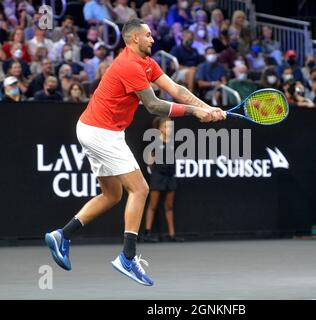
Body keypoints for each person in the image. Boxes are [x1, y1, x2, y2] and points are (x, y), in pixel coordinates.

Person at [44, 18, 226, 287]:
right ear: (133, 39)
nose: (153, 39)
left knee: (112, 195)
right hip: (101, 131)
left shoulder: (147, 62)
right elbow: (153, 105)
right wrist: (193, 112)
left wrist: (206, 108)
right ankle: (127, 257)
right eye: (148, 36)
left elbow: (177, 90)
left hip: (92, 128)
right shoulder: (129, 64)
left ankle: (62, 235)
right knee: (140, 189)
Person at [143, 117, 184, 243]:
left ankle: (171, 234)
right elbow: (150, 162)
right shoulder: (154, 143)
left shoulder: (172, 143)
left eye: (170, 127)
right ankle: (147, 233)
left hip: (170, 176)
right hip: (158, 176)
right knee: (152, 205)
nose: (169, 129)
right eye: (166, 127)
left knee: (169, 206)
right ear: (159, 128)